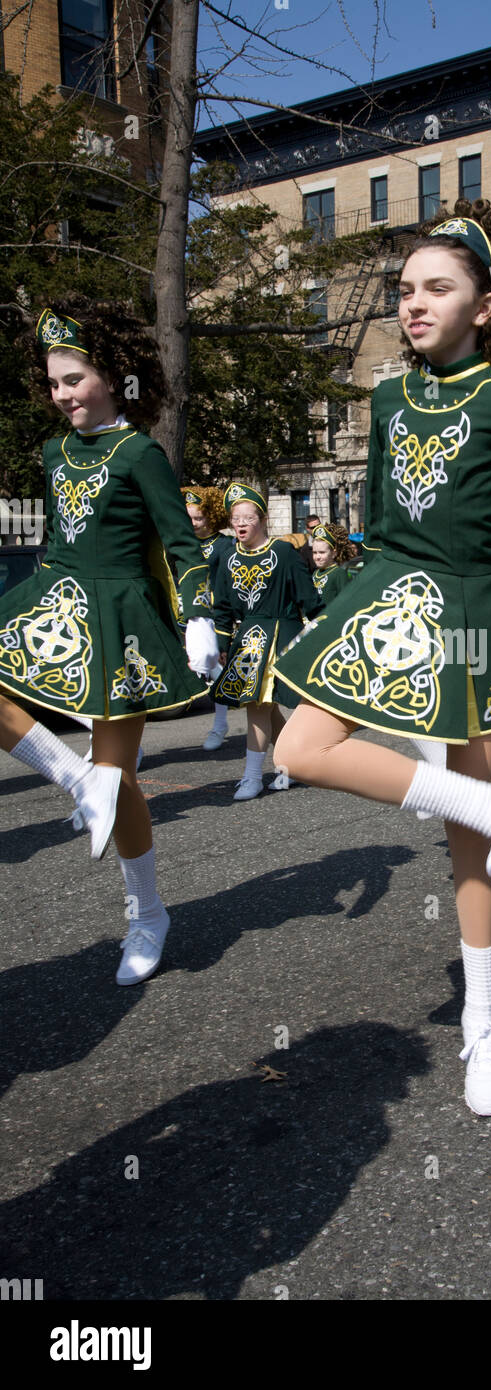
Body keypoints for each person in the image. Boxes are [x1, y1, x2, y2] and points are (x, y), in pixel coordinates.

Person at [272, 202, 491, 1116]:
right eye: (406, 290)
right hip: (390, 595)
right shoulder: (384, 398)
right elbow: (378, 519)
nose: (415, 305)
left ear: (485, 307)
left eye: (438, 289)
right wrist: (341, 603)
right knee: (297, 748)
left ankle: (484, 1020)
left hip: (477, 616)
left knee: (465, 849)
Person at [0, 300, 219, 984]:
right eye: (54, 382)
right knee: (95, 778)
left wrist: (201, 616)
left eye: (74, 378)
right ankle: (73, 778)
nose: (62, 394)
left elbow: (181, 544)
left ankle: (146, 913)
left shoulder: (140, 452)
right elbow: (57, 539)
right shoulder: (54, 451)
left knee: (121, 782)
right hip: (59, 598)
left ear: (115, 376)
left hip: (121, 620)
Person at [211, 483, 324, 800]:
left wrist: (325, 628)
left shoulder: (283, 552)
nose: (241, 523)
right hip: (247, 641)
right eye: (236, 518)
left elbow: (308, 599)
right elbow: (222, 606)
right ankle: (290, 768)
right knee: (265, 709)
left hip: (280, 637)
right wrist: (221, 643)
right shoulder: (227, 556)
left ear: (262, 519)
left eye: (248, 517)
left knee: (258, 707)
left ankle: (252, 778)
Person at [184, 486, 235, 750]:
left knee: (215, 668)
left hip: (213, 616)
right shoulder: (182, 544)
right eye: (189, 517)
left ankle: (220, 724)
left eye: (198, 518)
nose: (193, 523)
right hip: (184, 613)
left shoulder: (225, 544)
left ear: (212, 517)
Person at [309, 522, 353, 604]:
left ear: (334, 553)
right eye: (315, 552)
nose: (317, 557)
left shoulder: (339, 573)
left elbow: (347, 602)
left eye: (322, 552)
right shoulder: (315, 573)